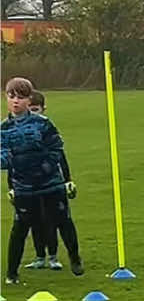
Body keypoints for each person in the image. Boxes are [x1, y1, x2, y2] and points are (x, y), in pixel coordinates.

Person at [1, 77, 84, 283]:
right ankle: (12, 274)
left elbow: (56, 148)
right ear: (6, 98)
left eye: (21, 97)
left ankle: (74, 258)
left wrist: (47, 167)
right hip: (24, 187)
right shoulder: (3, 129)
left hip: (50, 184)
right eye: (12, 97)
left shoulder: (42, 124)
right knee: (20, 228)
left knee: (63, 221)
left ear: (29, 100)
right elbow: (4, 156)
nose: (16, 101)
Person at [25, 89, 83, 273]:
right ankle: (40, 256)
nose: (33, 114)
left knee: (61, 220)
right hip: (29, 184)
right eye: (30, 110)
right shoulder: (19, 131)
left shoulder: (47, 128)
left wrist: (68, 180)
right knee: (36, 220)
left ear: (43, 109)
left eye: (36, 109)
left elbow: (60, 155)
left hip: (52, 182)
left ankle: (67, 257)